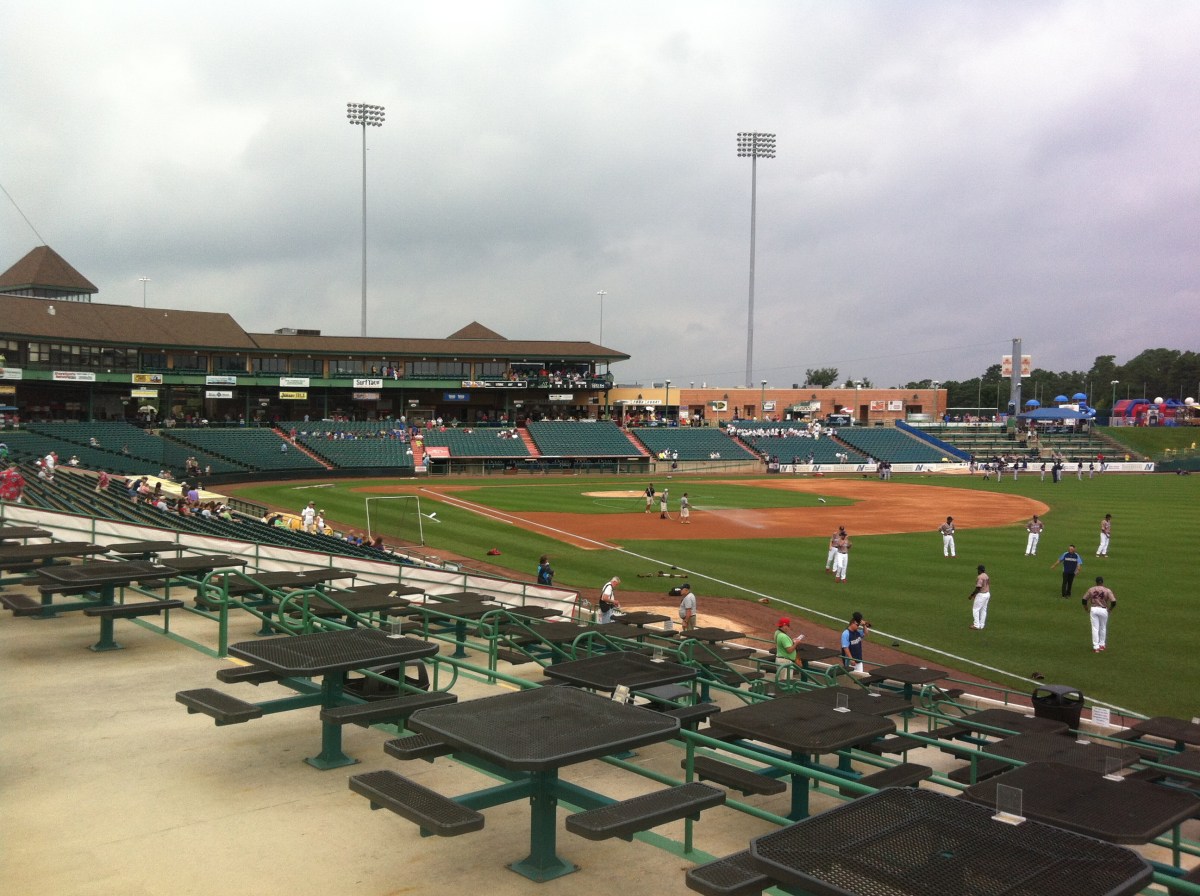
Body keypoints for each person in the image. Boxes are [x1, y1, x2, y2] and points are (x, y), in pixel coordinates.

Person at [1082, 576, 1116, 652]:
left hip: (1094, 609)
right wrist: (1110, 610)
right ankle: (1102, 645)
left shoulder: (1091, 589)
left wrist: (1086, 609)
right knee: (1103, 627)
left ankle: (1096, 647)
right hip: (1103, 610)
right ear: (1102, 582)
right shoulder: (1107, 590)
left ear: (1096, 582)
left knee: (1095, 628)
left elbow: (1084, 600)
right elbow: (1114, 602)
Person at [968, 565, 991, 630]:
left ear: (980, 570)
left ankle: (976, 625)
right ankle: (982, 625)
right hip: (987, 594)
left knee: (975, 609)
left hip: (981, 595)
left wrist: (972, 595)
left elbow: (978, 588)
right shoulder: (986, 575)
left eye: (978, 570)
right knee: (983, 610)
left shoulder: (980, 577)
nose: (977, 571)